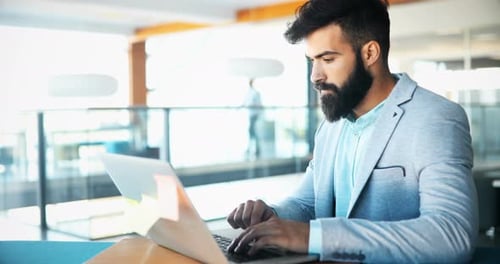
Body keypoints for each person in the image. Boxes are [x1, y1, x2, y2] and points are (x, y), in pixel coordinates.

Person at [226, 0, 478, 262]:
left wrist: (313, 237)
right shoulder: (331, 127)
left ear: (370, 53)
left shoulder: (435, 117)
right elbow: (307, 203)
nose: (315, 76)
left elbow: (452, 235)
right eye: (313, 60)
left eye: (328, 59)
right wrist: (273, 216)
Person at [243, 78, 262, 158]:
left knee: (252, 131)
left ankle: (256, 148)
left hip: (254, 114)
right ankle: (251, 148)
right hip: (251, 114)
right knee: (251, 131)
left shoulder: (255, 93)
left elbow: (258, 104)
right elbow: (245, 102)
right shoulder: (249, 92)